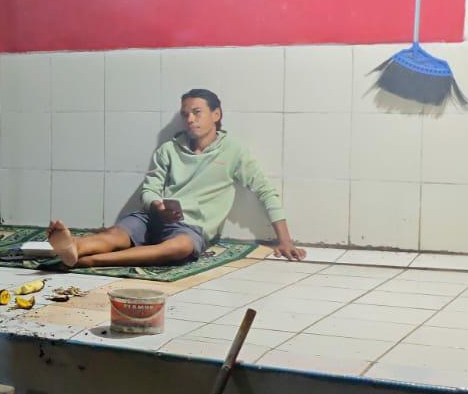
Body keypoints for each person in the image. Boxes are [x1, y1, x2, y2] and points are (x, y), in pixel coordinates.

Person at [48, 88, 305, 268]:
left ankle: (90, 260)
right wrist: (157, 205)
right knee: (116, 234)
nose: (190, 119)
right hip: (153, 217)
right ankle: (75, 247)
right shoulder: (169, 150)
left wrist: (284, 240)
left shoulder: (234, 152)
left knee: (179, 248)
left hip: (190, 227)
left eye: (197, 112)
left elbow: (265, 191)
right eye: (185, 114)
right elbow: (150, 189)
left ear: (216, 114)